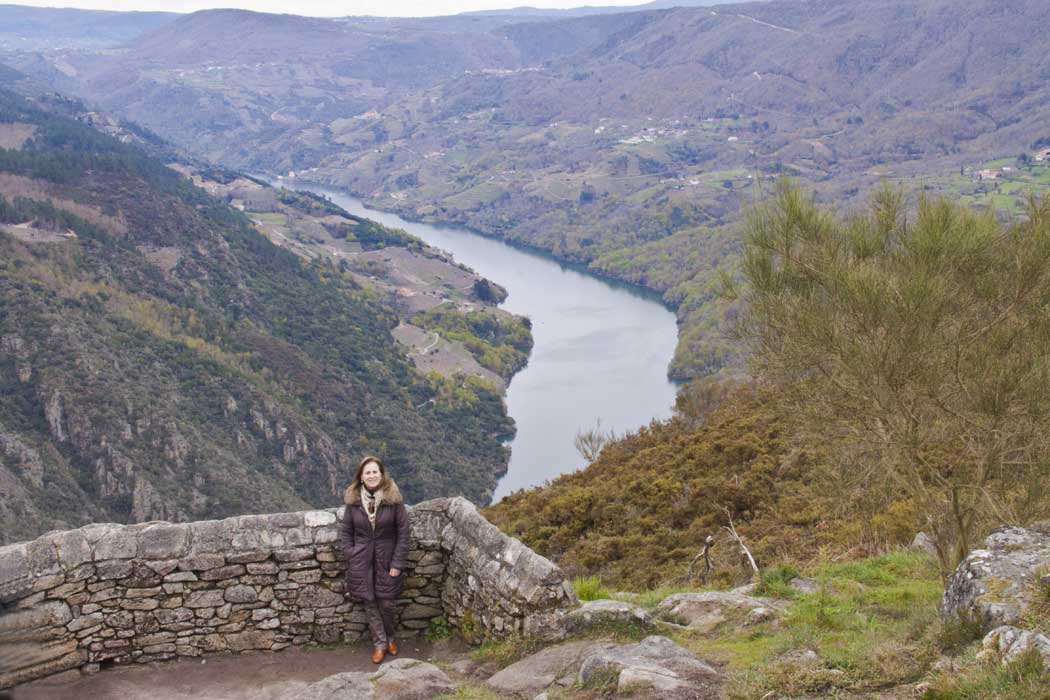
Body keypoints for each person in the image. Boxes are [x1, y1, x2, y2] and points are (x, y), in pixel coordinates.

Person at [340, 455, 410, 664]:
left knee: (387, 603)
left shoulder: (393, 500)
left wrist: (397, 563)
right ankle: (379, 644)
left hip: (387, 560)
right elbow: (346, 532)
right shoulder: (353, 503)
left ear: (381, 475)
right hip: (362, 563)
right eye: (367, 472)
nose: (371, 476)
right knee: (370, 604)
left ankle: (390, 637)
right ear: (361, 477)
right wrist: (351, 554)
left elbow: (403, 534)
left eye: (375, 472)